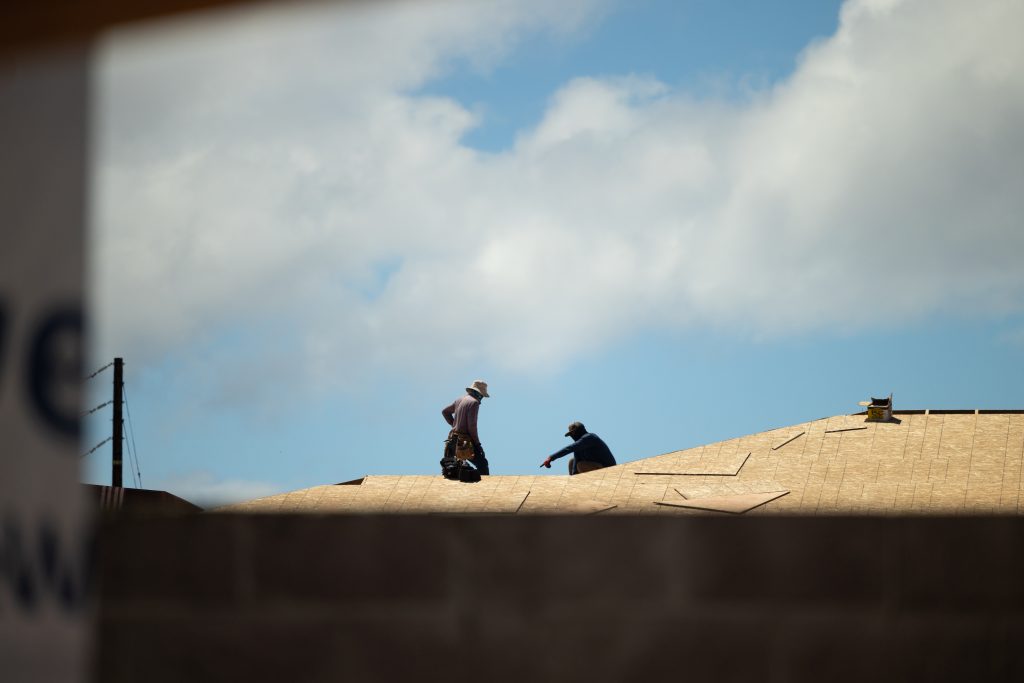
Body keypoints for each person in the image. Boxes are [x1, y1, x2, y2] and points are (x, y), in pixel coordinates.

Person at [442, 380, 490, 475]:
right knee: (483, 464)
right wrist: (477, 444)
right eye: (482, 396)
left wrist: (454, 424)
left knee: (455, 468)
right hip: (464, 442)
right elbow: (472, 426)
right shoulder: (474, 403)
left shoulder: (459, 399)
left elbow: (445, 411)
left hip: (452, 440)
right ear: (478, 394)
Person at [540, 421, 616, 475]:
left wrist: (551, 457)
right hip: (597, 468)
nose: (571, 436)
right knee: (572, 462)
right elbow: (575, 462)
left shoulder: (589, 437)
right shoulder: (579, 447)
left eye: (572, 433)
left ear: (578, 431)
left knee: (581, 465)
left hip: (609, 471)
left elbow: (569, 448)